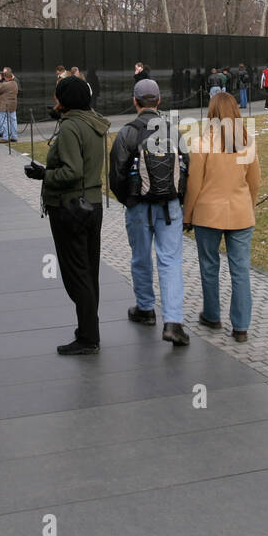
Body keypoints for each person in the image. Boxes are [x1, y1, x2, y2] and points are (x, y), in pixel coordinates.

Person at [24, 76, 110, 355]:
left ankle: (88, 336)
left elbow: (72, 171)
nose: (54, 100)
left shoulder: (72, 126)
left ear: (66, 100)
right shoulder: (92, 121)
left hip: (70, 207)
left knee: (77, 275)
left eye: (57, 96)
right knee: (89, 271)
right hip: (91, 204)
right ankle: (88, 330)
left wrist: (44, 174)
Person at [108, 78, 189, 347]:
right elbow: (186, 166)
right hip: (169, 206)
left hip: (138, 206)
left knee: (140, 258)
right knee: (171, 261)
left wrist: (129, 200)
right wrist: (179, 198)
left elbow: (116, 175)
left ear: (135, 101)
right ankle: (174, 322)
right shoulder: (173, 130)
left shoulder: (128, 132)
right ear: (159, 101)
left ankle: (145, 308)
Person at [182, 91, 260, 343]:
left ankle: (213, 315)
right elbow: (254, 181)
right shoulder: (247, 141)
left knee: (209, 266)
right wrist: (250, 205)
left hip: (208, 212)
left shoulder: (202, 142)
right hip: (240, 212)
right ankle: (241, 326)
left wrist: (188, 214)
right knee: (240, 270)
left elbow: (194, 183)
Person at [0, 68, 19, 143]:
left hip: (4, 105)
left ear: (5, 77)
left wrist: (0, 82)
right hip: (13, 105)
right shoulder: (15, 83)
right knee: (13, 121)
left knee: (4, 121)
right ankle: (14, 136)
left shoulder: (4, 85)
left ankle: (6, 137)